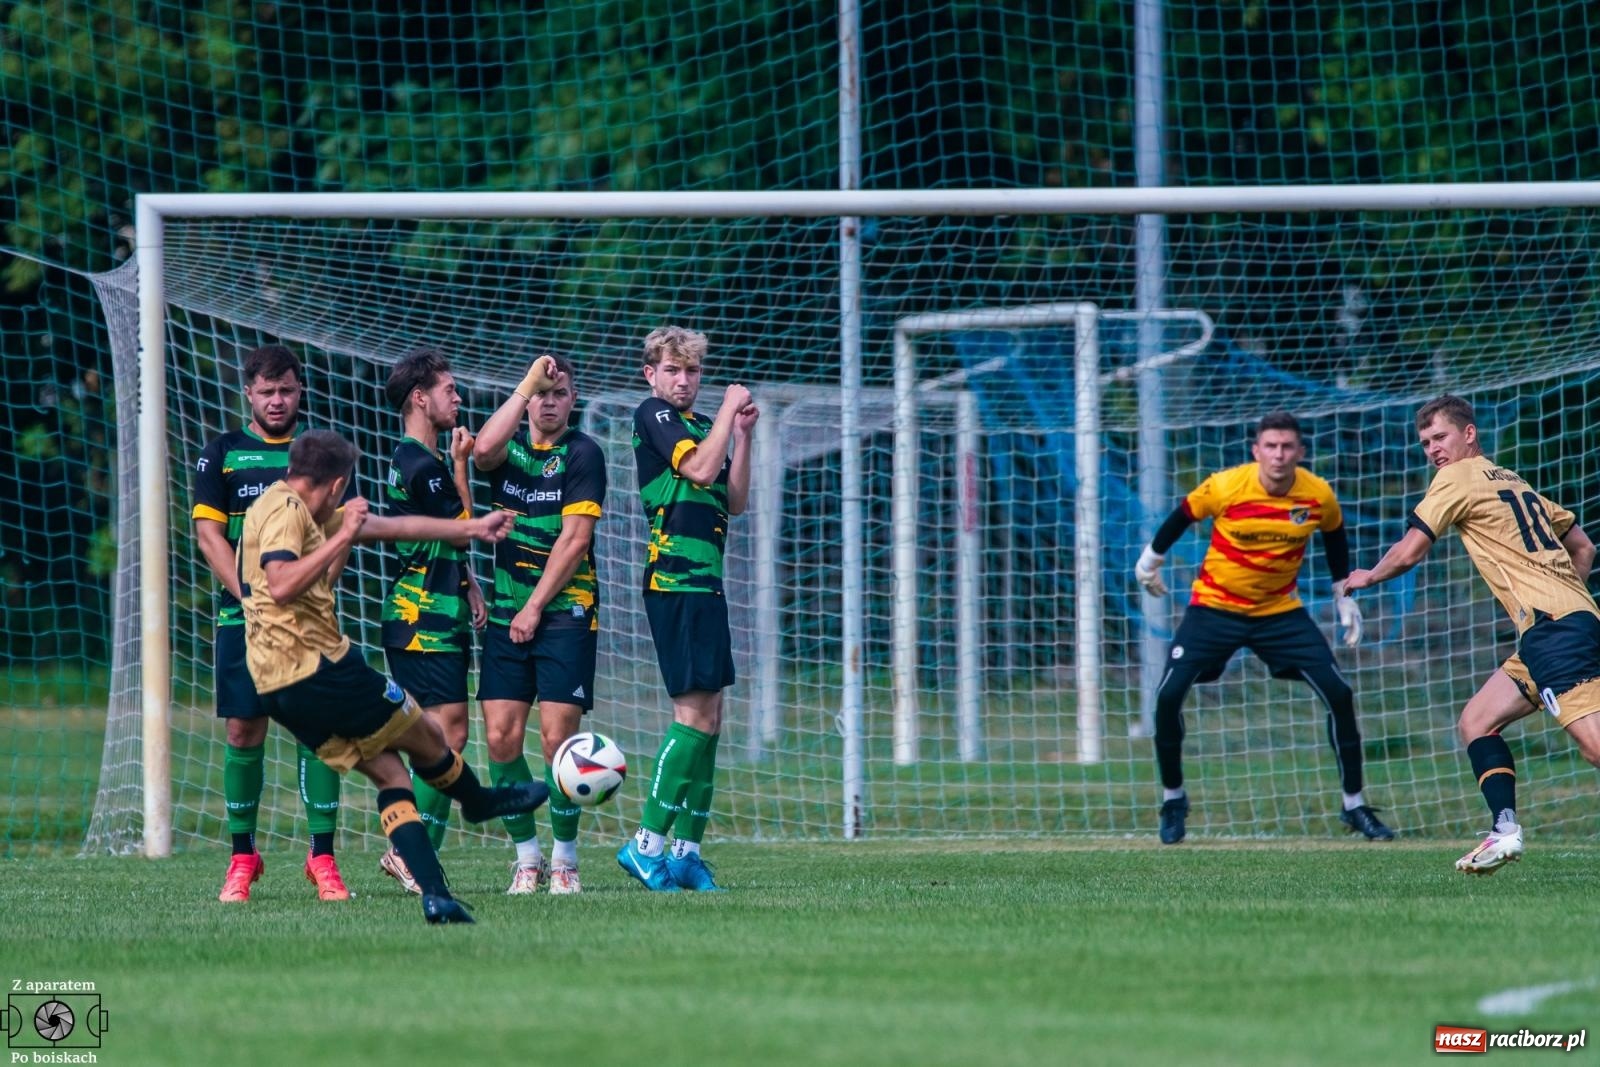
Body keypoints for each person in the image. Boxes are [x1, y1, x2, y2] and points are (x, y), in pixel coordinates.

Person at [238, 428, 547, 924]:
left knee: (390, 773)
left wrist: (473, 529)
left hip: (278, 686)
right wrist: (342, 534)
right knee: (427, 732)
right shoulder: (286, 512)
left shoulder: (293, 506)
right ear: (337, 484)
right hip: (318, 669)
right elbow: (280, 585)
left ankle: (435, 895)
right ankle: (478, 800)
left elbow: (393, 529)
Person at [1344, 395, 1600, 874]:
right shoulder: (1511, 480)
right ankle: (1504, 831)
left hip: (1555, 629)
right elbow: (1581, 544)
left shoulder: (1456, 478)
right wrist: (1568, 601)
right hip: (1560, 624)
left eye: (1439, 437)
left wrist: (1368, 577)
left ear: (1469, 433)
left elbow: (1410, 550)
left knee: (1594, 747)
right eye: (1424, 443)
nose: (1432, 450)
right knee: (1476, 721)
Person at [1134, 411, 1392, 844]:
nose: (1279, 454)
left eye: (1287, 446)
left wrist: (1342, 595)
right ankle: (1173, 799)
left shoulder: (1317, 495)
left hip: (1279, 613)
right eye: (1270, 446)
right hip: (1214, 609)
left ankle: (1354, 806)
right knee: (1167, 697)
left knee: (1340, 694)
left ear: (1300, 452)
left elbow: (1334, 538)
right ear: (1256, 451)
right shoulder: (1226, 486)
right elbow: (1183, 514)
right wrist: (1151, 558)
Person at [191, 343, 349, 903]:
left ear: (299, 390)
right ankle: (242, 857)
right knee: (243, 731)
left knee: (319, 730)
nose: (277, 400)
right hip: (244, 618)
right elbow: (210, 535)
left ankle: (323, 858)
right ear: (249, 394)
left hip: (309, 622)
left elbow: (337, 536)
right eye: (267, 392)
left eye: (286, 390)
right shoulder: (222, 455)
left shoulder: (321, 455)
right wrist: (249, 594)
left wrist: (315, 591)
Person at [616, 325, 757, 892]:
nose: (683, 380)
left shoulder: (704, 427)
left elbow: (735, 499)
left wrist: (742, 435)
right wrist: (728, 407)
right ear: (651, 374)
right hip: (675, 580)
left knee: (712, 721)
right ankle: (643, 845)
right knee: (692, 718)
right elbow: (697, 471)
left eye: (693, 371)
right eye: (672, 370)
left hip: (707, 584)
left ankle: (685, 854)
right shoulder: (653, 415)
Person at [472, 354, 606, 895]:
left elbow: (575, 541)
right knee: (501, 739)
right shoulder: (510, 451)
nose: (550, 402)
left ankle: (565, 859)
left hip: (564, 616)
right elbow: (481, 451)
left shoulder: (584, 453)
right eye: (541, 393)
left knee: (558, 744)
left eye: (560, 393)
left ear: (572, 400)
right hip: (506, 615)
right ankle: (527, 859)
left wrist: (534, 609)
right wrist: (527, 384)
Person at [375, 348, 488, 893]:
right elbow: (464, 527)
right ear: (421, 398)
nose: (458, 398)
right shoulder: (422, 464)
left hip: (434, 613)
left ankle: (413, 855)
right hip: (421, 619)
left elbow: (444, 541)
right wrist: (464, 465)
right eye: (449, 389)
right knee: (444, 739)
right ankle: (406, 852)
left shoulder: (418, 461)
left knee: (444, 738)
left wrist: (468, 586)